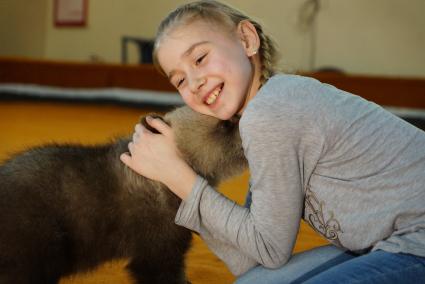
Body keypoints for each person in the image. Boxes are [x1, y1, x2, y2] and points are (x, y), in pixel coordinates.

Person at [120, 1, 425, 283]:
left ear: (247, 39)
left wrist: (179, 176)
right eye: (180, 80)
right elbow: (252, 261)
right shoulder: (264, 115)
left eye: (200, 58)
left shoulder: (272, 112)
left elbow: (269, 250)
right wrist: (183, 187)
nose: (195, 82)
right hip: (390, 241)